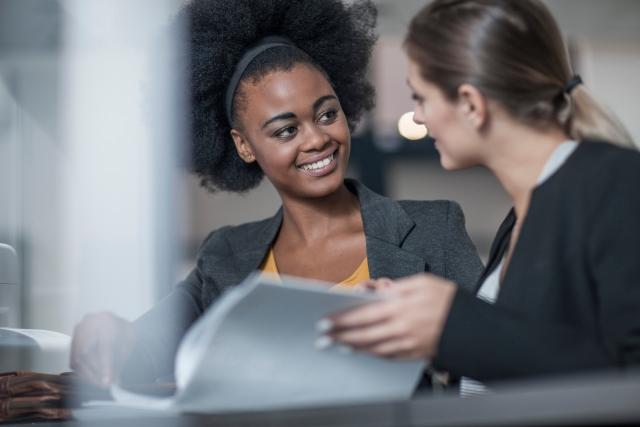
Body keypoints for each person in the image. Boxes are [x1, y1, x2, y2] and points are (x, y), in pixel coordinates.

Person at [70, 0, 483, 389]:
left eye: (327, 114)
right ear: (243, 145)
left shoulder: (434, 228)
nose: (318, 139)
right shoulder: (224, 258)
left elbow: (495, 356)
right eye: (286, 130)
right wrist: (109, 332)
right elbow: (139, 353)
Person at [328, 0, 640, 395]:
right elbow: (526, 356)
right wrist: (420, 323)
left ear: (472, 105)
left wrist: (454, 326)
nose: (419, 118)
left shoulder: (616, 184)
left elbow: (630, 376)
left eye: (420, 98)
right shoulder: (520, 217)